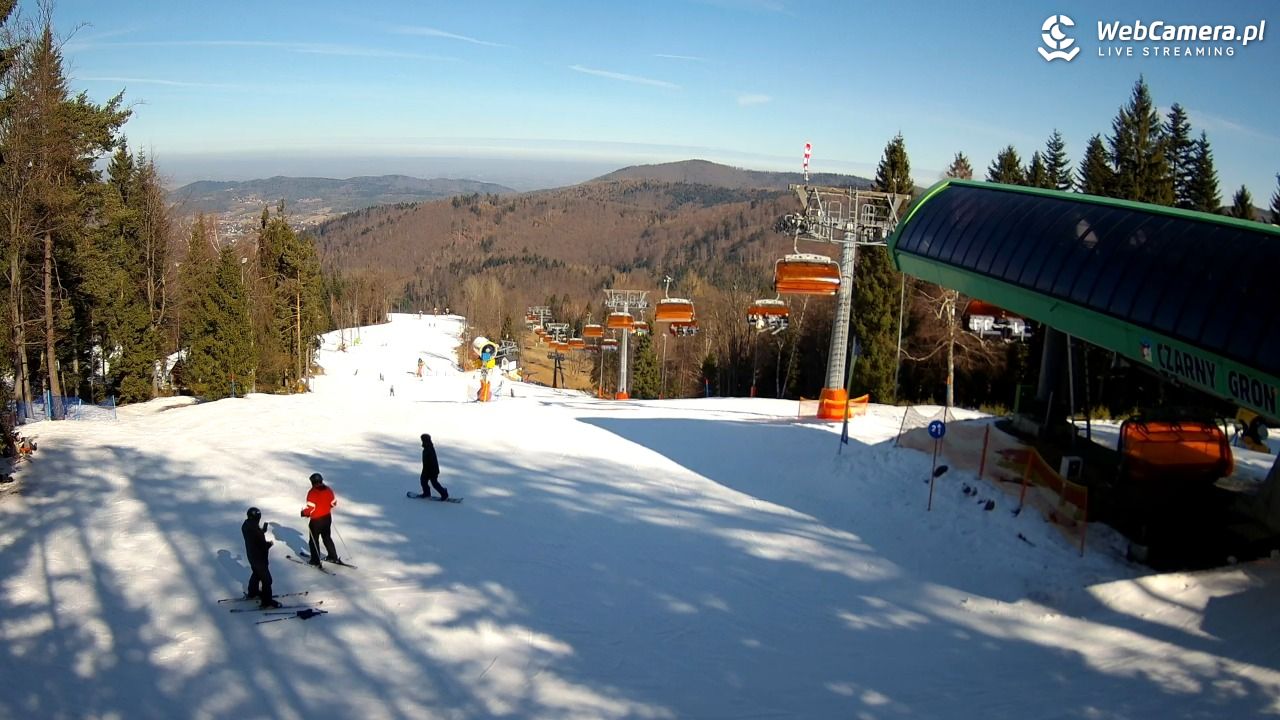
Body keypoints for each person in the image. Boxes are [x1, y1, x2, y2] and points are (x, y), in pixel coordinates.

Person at [241, 507, 281, 608]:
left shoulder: (246, 525)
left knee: (256, 573)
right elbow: (262, 546)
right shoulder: (255, 530)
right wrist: (269, 544)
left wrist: (261, 531)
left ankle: (253, 592)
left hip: (252, 556)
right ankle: (267, 603)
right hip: (259, 558)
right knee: (267, 580)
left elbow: (254, 537)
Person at [300, 472, 339, 564]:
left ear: (313, 482)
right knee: (327, 537)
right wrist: (325, 508)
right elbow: (333, 503)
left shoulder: (312, 492)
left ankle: (315, 560)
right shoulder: (328, 489)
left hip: (316, 521)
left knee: (314, 540)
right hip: (327, 518)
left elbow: (310, 509)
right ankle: (333, 556)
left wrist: (304, 513)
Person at [420, 433, 448, 500]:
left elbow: (432, 462)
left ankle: (444, 494)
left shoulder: (429, 449)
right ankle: (426, 493)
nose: (422, 441)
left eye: (422, 440)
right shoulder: (427, 447)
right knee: (423, 481)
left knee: (434, 483)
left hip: (432, 470)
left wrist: (430, 472)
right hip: (427, 470)